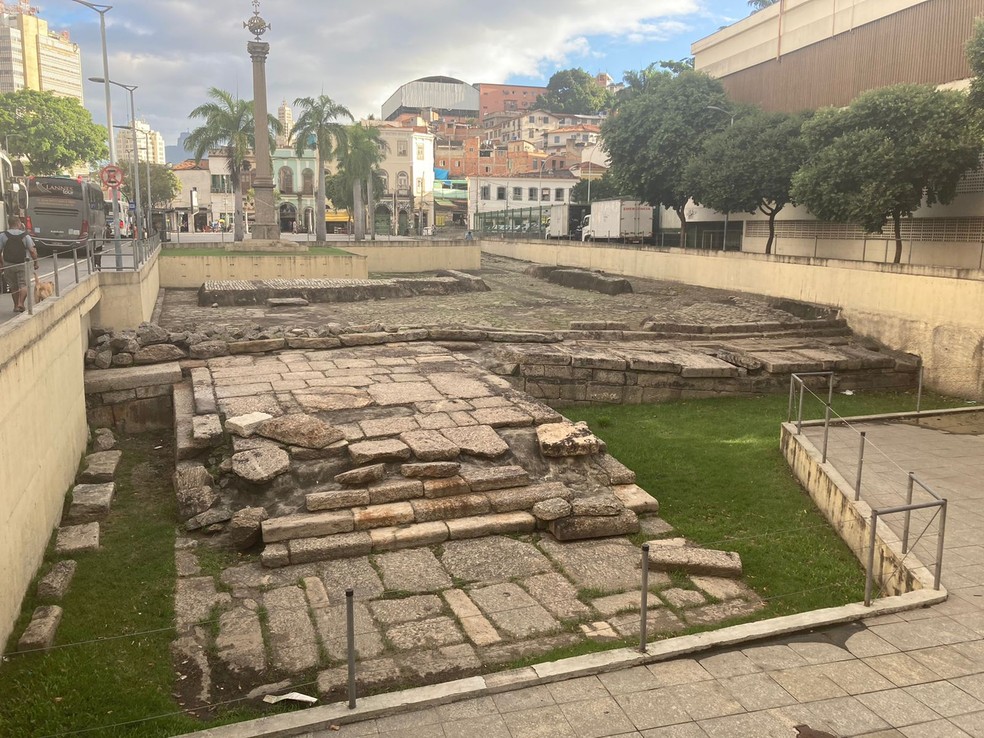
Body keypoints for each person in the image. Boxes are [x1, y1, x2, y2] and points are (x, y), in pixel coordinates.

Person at [0, 215, 40, 313]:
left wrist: (1, 263)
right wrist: (36, 262)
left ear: (9, 224)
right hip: (22, 264)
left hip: (9, 264)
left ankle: (15, 305)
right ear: (18, 224)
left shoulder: (3, 235)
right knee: (23, 285)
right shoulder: (25, 235)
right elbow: (32, 251)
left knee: (13, 286)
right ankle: (21, 303)